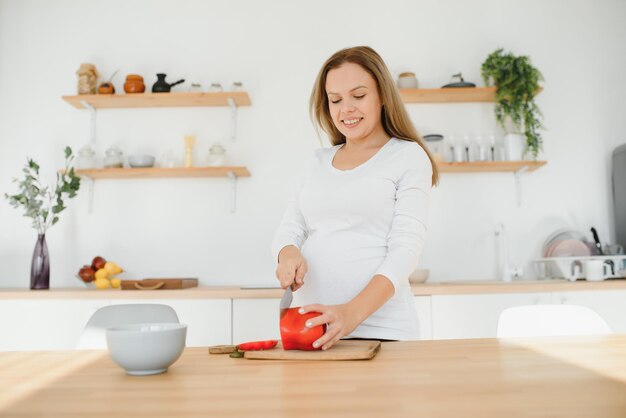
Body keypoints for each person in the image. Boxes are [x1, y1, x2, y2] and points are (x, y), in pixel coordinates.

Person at [272, 46, 439, 350]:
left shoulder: (407, 157)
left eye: (358, 96)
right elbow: (289, 228)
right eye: (335, 100)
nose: (346, 108)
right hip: (308, 329)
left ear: (383, 95)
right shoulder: (317, 161)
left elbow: (405, 251)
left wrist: (352, 314)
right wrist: (287, 254)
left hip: (382, 332)